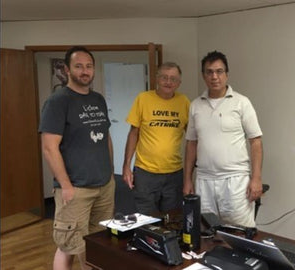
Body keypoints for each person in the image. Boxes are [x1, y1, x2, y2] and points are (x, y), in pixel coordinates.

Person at [39, 46, 115, 270]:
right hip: (75, 189)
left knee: (100, 242)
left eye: (89, 66)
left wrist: (109, 171)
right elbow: (49, 147)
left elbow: (105, 137)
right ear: (67, 69)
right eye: (79, 66)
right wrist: (66, 186)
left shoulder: (98, 99)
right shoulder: (58, 101)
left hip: (104, 186)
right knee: (69, 245)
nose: (85, 71)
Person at [183, 51, 264, 227]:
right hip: (204, 180)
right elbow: (191, 143)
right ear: (203, 75)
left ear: (227, 74)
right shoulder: (195, 105)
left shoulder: (242, 103)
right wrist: (187, 179)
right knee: (206, 231)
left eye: (219, 71)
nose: (214, 76)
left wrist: (256, 178)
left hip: (235, 180)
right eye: (209, 72)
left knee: (240, 232)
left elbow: (255, 141)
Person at [122, 62, 190, 215]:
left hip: (174, 173)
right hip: (145, 173)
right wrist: (126, 165)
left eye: (173, 79)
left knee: (172, 219)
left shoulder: (184, 102)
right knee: (146, 220)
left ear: (179, 83)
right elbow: (133, 133)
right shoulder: (143, 99)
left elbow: (192, 138)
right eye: (164, 77)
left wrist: (190, 175)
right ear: (157, 79)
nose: (168, 82)